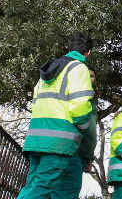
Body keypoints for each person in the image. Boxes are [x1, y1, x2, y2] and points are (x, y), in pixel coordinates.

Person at [18, 33, 97, 199]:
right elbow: (80, 107)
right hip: (58, 141)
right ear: (88, 52)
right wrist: (83, 128)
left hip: (36, 138)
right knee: (41, 188)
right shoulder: (78, 68)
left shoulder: (49, 70)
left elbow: (35, 101)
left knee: (32, 185)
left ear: (69, 48)